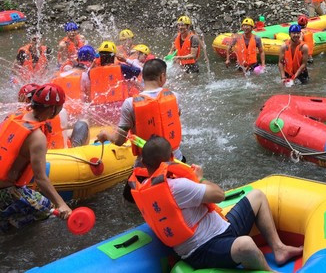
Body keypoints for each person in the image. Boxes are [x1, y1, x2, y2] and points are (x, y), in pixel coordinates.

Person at [128, 136, 303, 271]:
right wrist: (199, 178)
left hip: (223, 230)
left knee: (257, 196)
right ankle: (268, 271)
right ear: (172, 157)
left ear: (143, 163)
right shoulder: (177, 186)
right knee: (246, 244)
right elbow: (219, 195)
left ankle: (279, 249)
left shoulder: (143, 189)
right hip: (203, 250)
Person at [97, 58, 183, 201]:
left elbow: (119, 140)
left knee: (130, 200)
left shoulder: (130, 103)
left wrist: (106, 134)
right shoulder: (174, 96)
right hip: (176, 161)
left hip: (146, 168)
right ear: (162, 77)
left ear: (142, 77)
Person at [0, 84, 72, 231]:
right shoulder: (37, 137)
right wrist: (61, 204)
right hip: (6, 192)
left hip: (4, 186)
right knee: (48, 210)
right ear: (53, 109)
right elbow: (40, 179)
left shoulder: (17, 117)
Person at [82, 42, 141, 111]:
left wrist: (94, 63)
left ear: (99, 56)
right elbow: (138, 71)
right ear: (114, 56)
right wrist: (125, 60)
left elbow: (86, 75)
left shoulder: (91, 72)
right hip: (119, 108)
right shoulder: (122, 68)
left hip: (98, 108)